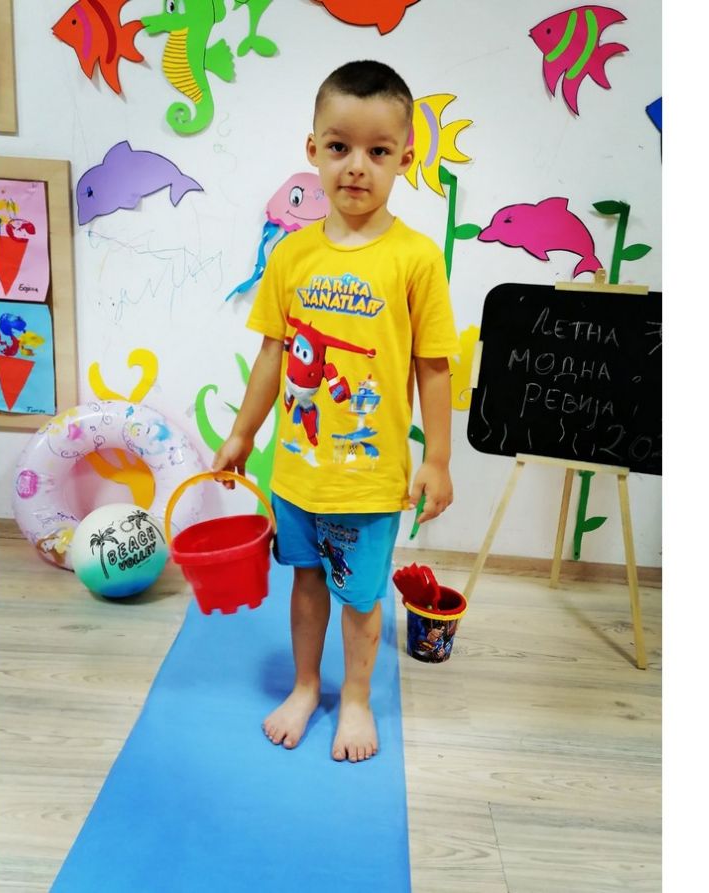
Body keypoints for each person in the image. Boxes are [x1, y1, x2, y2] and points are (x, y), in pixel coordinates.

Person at [212, 60, 459, 762]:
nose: (356, 166)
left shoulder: (416, 258)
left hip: (370, 478)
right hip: (297, 471)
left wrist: (438, 459)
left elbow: (433, 365)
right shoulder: (292, 254)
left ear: (405, 158)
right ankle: (303, 685)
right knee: (305, 580)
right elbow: (272, 353)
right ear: (313, 149)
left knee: (360, 597)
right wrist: (242, 433)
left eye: (378, 151)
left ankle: (354, 698)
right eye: (340, 146)